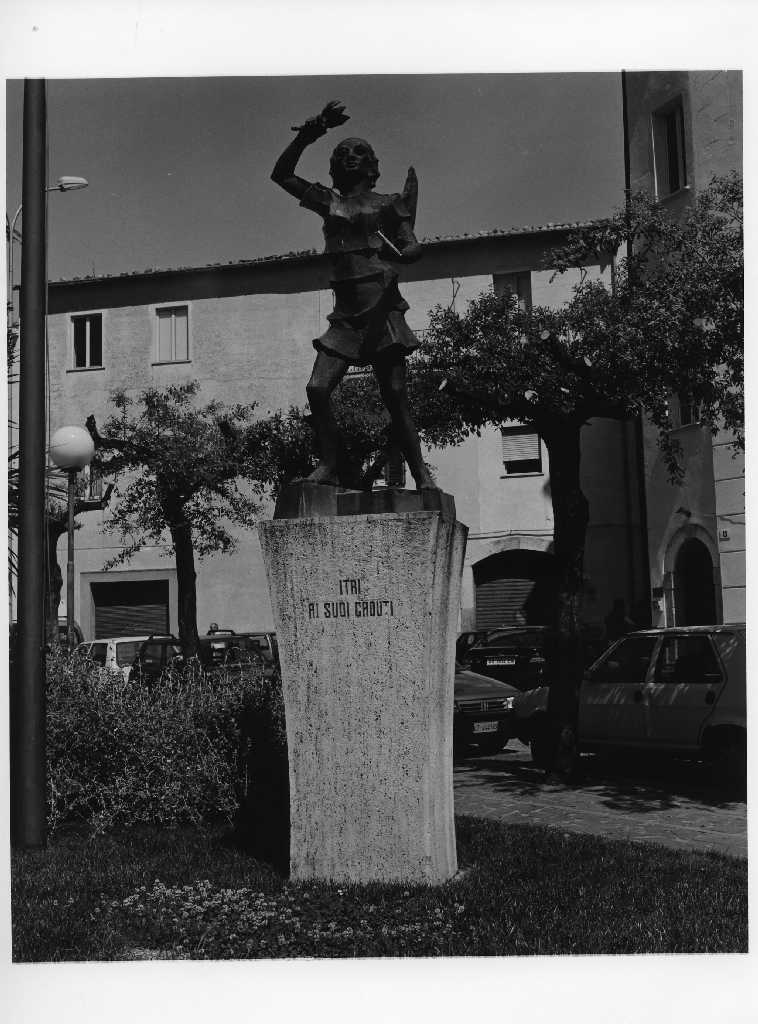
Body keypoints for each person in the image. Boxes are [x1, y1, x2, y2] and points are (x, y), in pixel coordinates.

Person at [271, 100, 435, 490]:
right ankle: (332, 463)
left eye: (358, 153)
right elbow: (281, 174)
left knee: (395, 395)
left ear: (371, 166)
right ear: (332, 166)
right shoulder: (330, 202)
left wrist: (409, 251)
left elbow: (409, 244)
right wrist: (312, 131)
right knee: (317, 389)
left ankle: (421, 474)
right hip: (345, 318)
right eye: (341, 153)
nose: (348, 157)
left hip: (382, 310)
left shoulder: (388, 204)